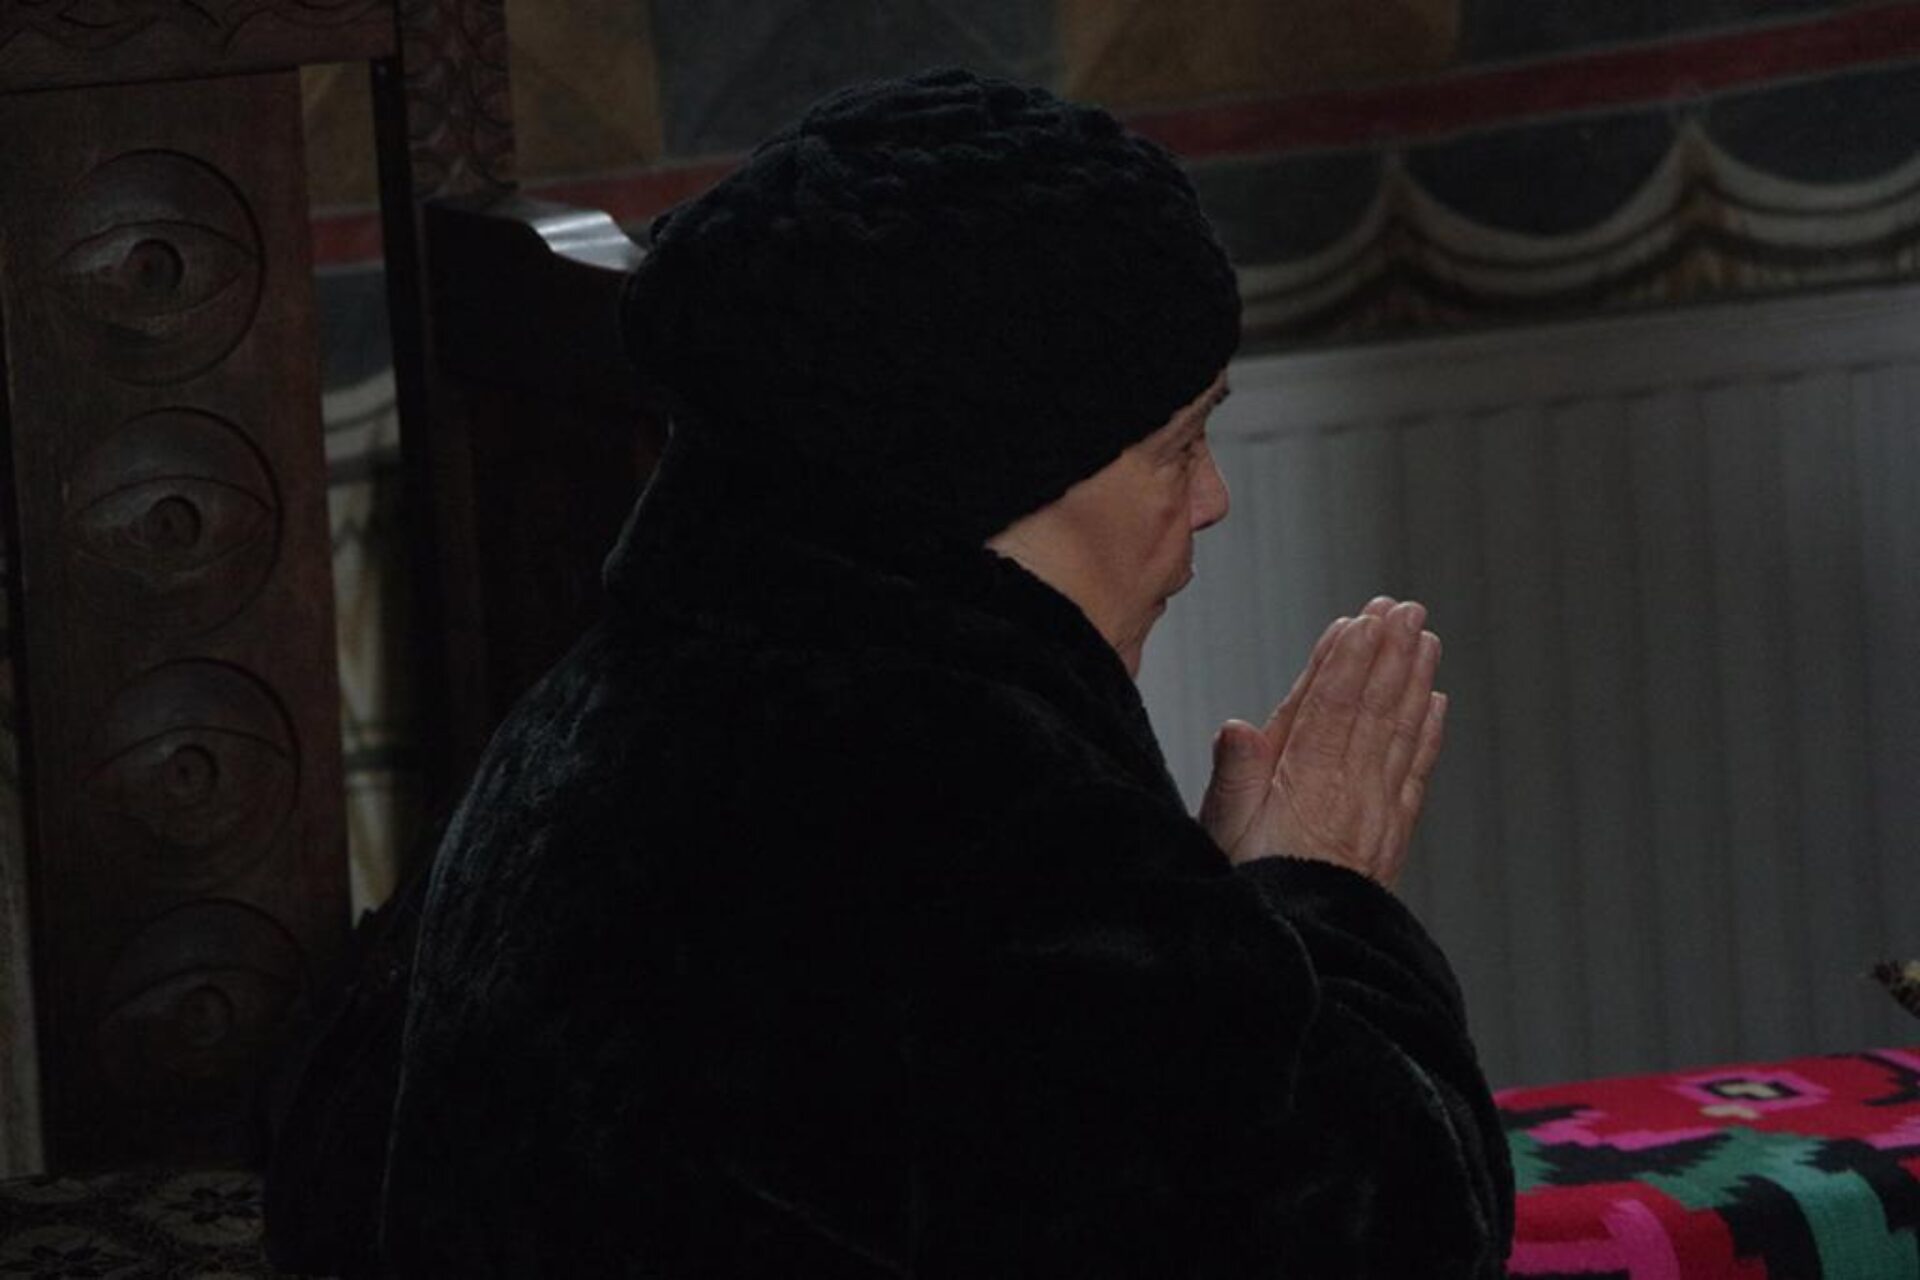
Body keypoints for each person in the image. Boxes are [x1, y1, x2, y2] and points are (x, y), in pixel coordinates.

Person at [300, 67, 1513, 1276]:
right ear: (998, 469)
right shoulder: (972, 812)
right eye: (1178, 443)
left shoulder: (594, 710)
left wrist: (1224, 945)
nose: (1214, 498)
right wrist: (1324, 894)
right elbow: (1391, 1236)